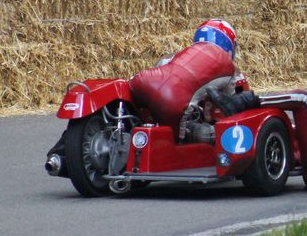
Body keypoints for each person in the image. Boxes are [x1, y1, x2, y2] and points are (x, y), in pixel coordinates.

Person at [45, 18, 254, 174]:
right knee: (201, 132)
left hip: (143, 82)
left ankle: (60, 153)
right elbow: (240, 110)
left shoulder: (175, 57)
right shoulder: (229, 68)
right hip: (173, 106)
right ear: (229, 45)